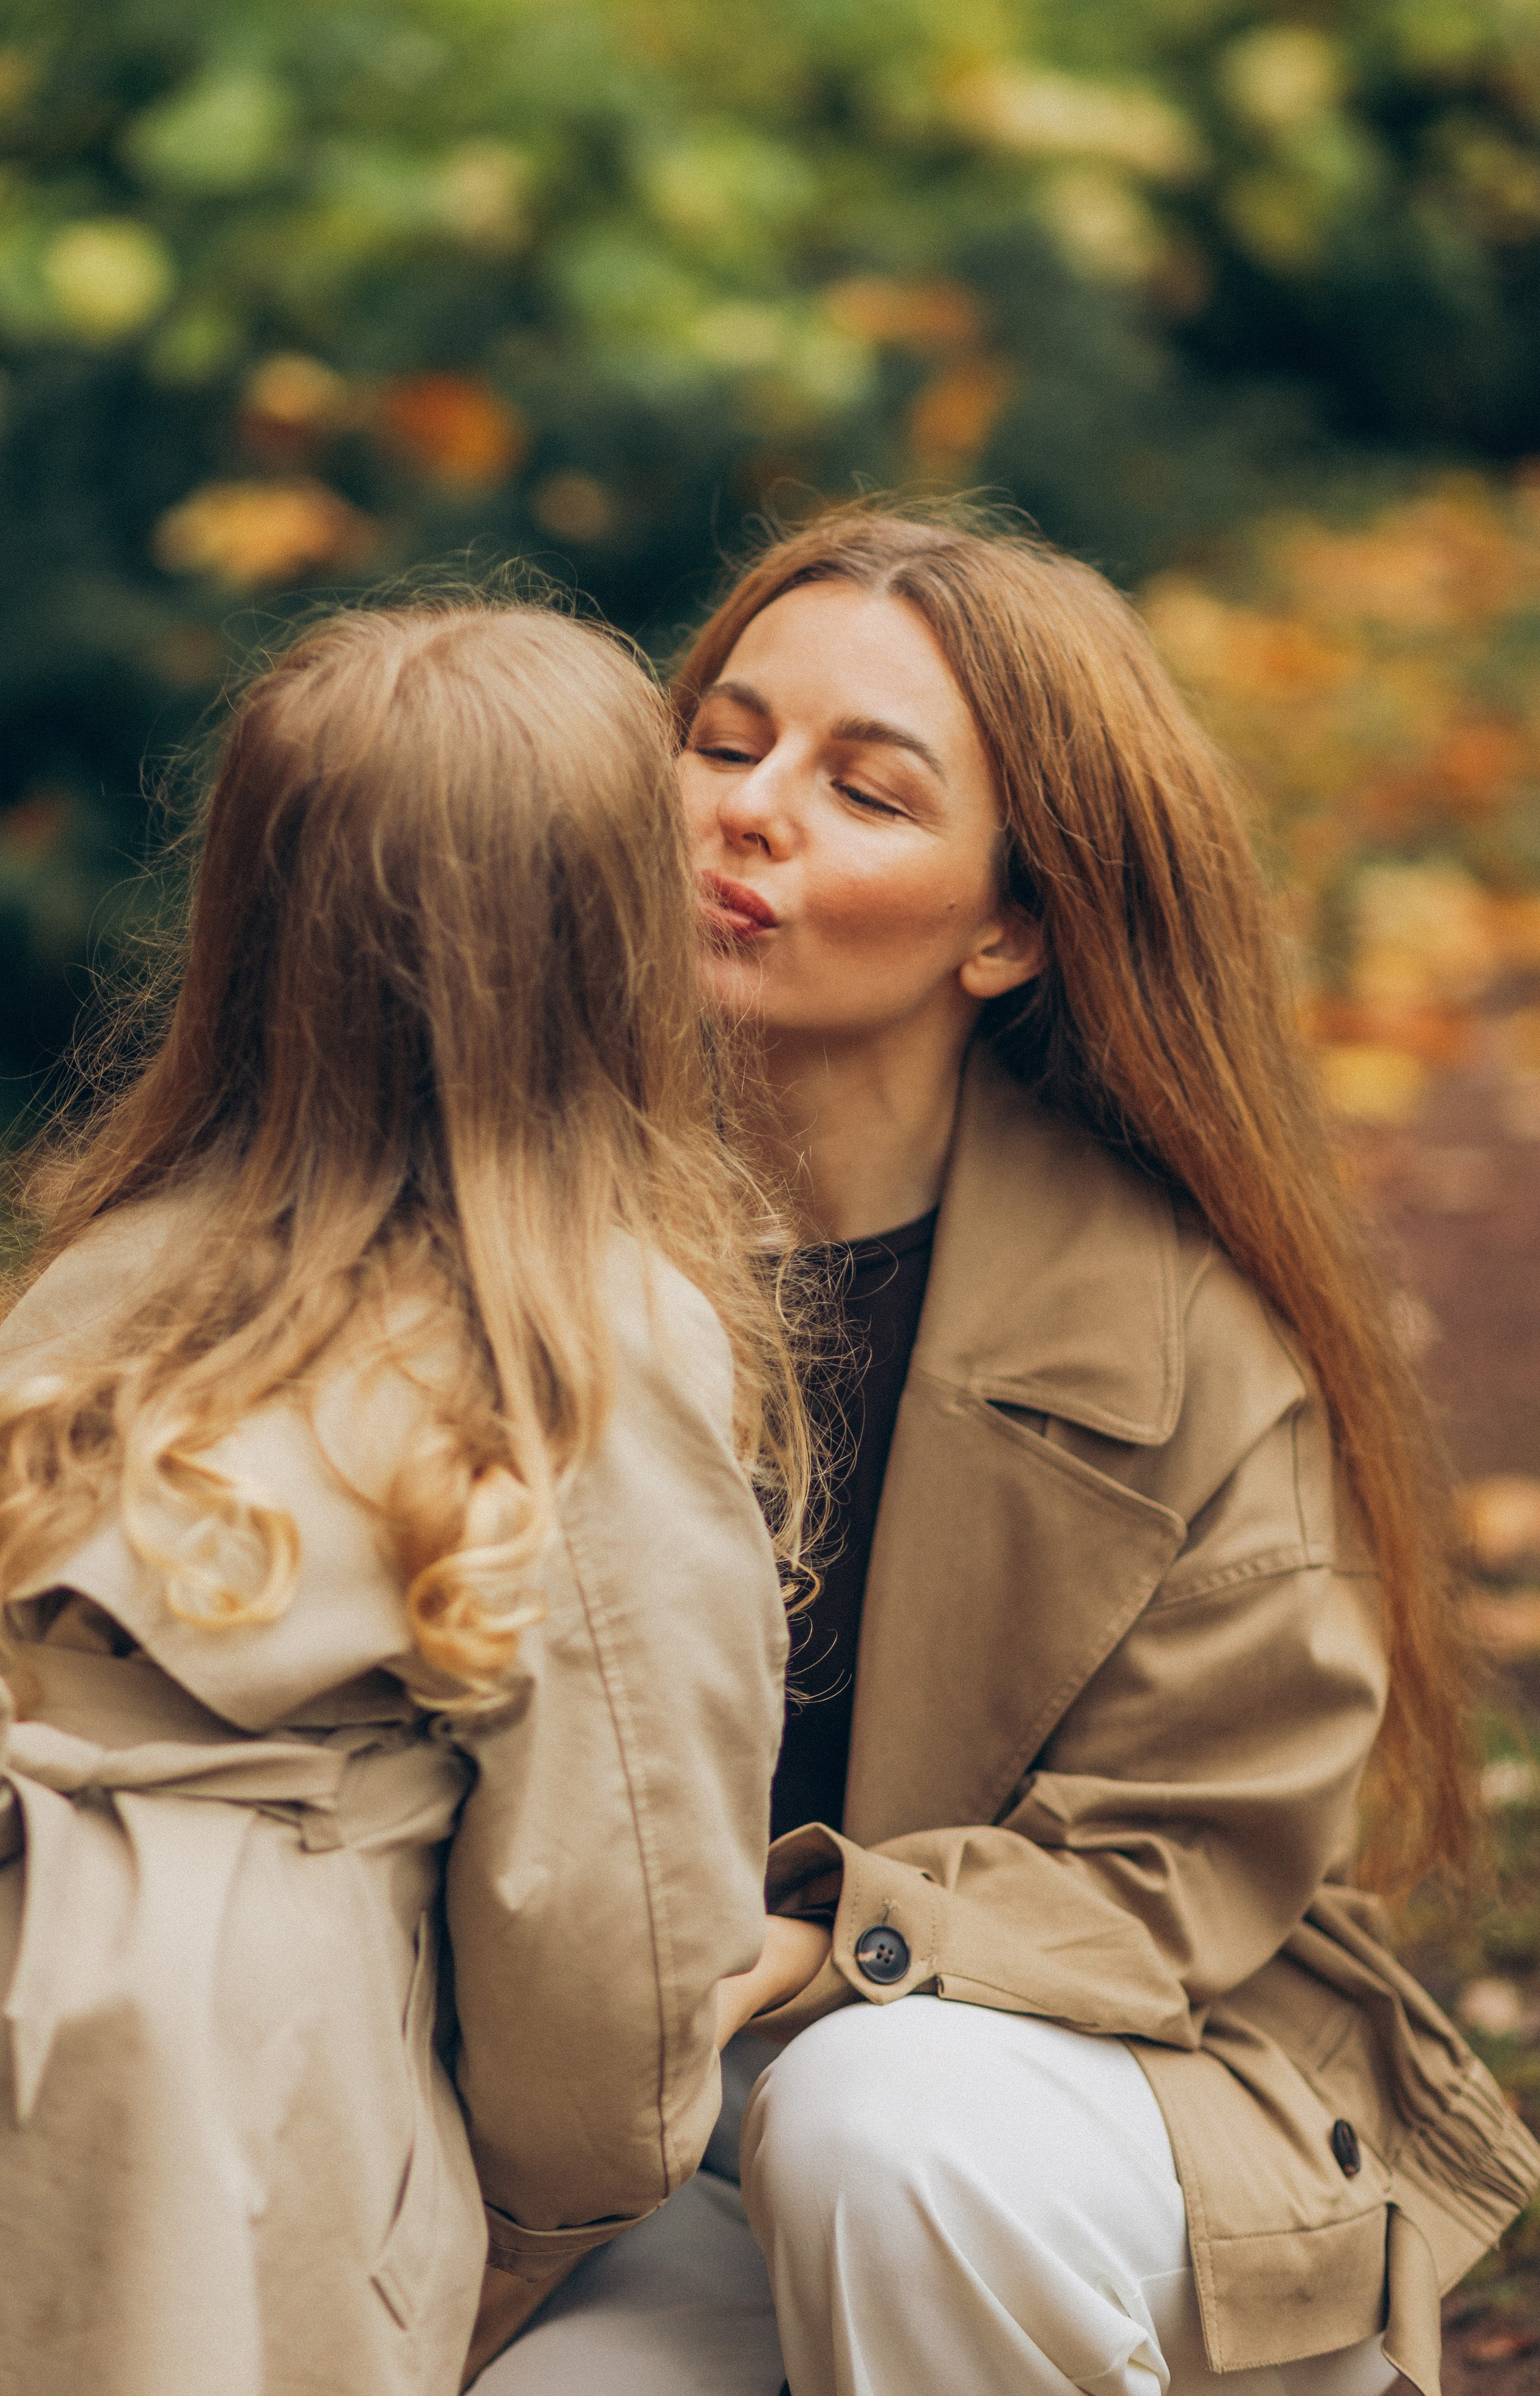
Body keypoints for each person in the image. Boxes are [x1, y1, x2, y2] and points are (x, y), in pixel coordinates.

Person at [0, 599, 827, 2396]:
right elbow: (611, 1969)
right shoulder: (589, 1343)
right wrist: (487, 2244)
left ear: (247, 921)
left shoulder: (125, 1263)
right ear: (617, 937)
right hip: (199, 2057)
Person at [474, 512, 1540, 2396]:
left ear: (1010, 928)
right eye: (721, 744)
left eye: (864, 792)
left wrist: (810, 1956)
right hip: (671, 2151)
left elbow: (1176, 1865)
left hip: (1098, 2113)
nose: (748, 812)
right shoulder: (502, 1230)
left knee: (888, 2125)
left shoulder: (1181, 1327)